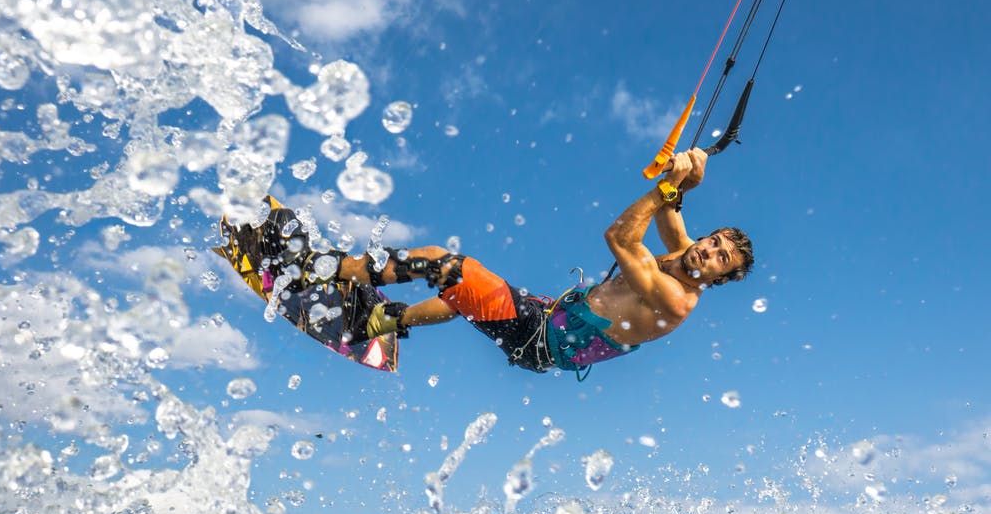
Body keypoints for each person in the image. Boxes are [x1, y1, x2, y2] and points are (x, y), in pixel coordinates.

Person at [287, 147, 753, 376]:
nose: (707, 251)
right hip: (549, 318)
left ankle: (323, 267)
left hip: (542, 336)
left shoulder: (675, 298)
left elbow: (620, 237)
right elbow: (672, 215)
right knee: (465, 296)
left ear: (721, 278)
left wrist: (664, 188)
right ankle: (381, 321)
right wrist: (687, 177)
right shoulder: (685, 255)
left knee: (443, 265)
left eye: (720, 258)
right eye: (713, 242)